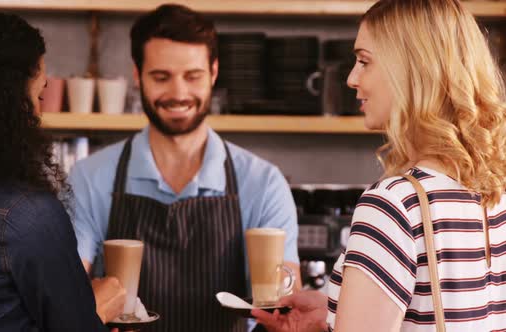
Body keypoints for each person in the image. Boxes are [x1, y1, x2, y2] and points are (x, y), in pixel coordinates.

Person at [253, 0, 506, 331]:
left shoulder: (394, 204)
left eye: (364, 61)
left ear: (412, 70)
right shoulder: (494, 190)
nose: (351, 78)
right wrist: (332, 313)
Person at [68, 3, 301, 332]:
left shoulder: (263, 183)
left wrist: (285, 314)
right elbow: (67, 297)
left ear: (214, 72)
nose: (178, 93)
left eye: (192, 76)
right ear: (137, 75)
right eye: (161, 77)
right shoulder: (89, 178)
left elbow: (284, 300)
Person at [0, 8, 126, 331]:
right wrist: (97, 308)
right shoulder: (27, 217)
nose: (41, 117)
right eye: (40, 94)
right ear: (9, 104)